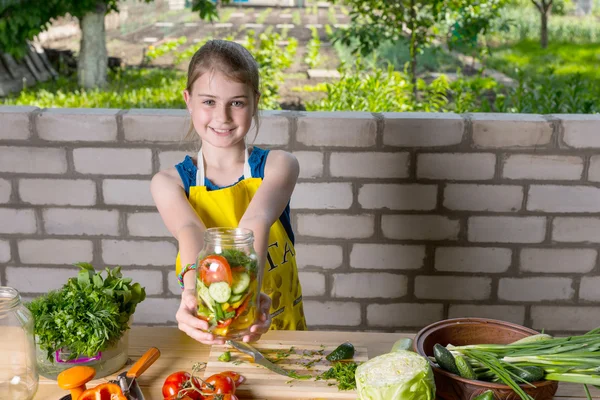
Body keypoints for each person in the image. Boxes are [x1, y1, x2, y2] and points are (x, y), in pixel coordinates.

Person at [151, 39, 307, 345]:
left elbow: (255, 222)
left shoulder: (279, 166)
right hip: (214, 331)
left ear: (254, 101)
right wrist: (193, 293)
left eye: (236, 102)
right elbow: (190, 232)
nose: (222, 116)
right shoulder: (170, 183)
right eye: (209, 101)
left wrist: (249, 305)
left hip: (282, 331)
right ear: (188, 100)